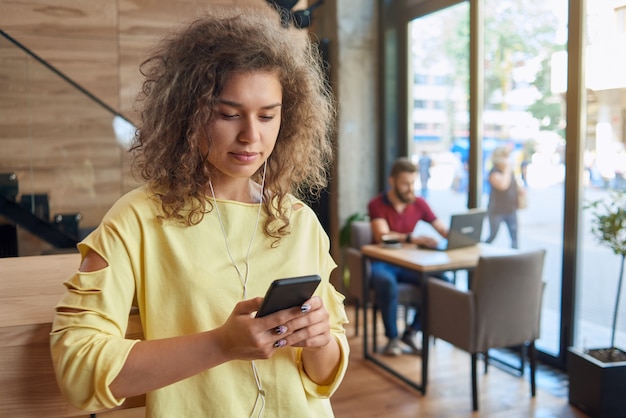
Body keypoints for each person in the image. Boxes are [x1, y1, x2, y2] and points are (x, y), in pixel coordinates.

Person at [49, 5, 349, 417]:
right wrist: (220, 345)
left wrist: (321, 340)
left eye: (267, 116)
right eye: (229, 114)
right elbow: (77, 369)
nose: (251, 136)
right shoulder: (136, 219)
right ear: (188, 112)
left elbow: (324, 377)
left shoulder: (299, 221)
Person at [367, 157, 448, 356]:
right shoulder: (377, 204)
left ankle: (411, 332)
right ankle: (392, 338)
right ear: (392, 182)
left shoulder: (419, 203)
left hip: (410, 263)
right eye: (405, 183)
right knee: (386, 282)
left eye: (413, 183)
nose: (410, 188)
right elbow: (382, 235)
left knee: (441, 281)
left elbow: (442, 229)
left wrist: (460, 236)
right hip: (383, 262)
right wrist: (412, 238)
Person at [485, 146, 521, 249]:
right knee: (492, 236)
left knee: (514, 237)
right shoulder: (494, 171)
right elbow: (503, 185)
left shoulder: (509, 171)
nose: (507, 158)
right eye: (505, 156)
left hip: (511, 209)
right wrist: (507, 169)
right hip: (497, 210)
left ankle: (515, 258)